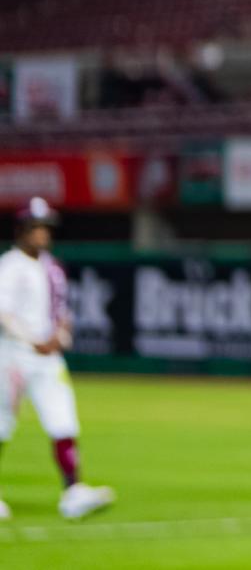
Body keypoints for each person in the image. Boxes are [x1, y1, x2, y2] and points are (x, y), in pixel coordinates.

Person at [0, 198, 116, 521]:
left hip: (48, 358)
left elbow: (62, 311)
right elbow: (3, 313)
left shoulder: (52, 266)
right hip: (12, 355)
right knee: (2, 423)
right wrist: (32, 339)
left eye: (46, 227)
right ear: (22, 230)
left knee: (62, 419)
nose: (42, 234)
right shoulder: (10, 265)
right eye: (36, 227)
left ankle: (73, 491)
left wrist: (59, 337)